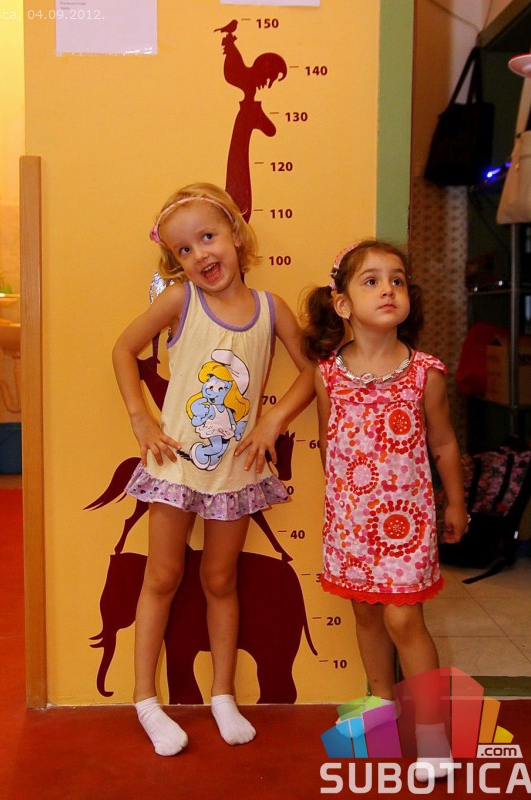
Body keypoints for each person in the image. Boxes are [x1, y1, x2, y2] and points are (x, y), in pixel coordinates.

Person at [112, 182, 312, 756]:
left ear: (235, 234)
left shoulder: (272, 309)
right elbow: (123, 349)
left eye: (207, 237)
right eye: (183, 249)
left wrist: (272, 423)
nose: (199, 254)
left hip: (234, 474)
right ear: (175, 262)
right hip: (175, 470)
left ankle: (223, 693)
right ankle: (145, 700)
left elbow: (312, 371)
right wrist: (141, 419)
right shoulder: (180, 301)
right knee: (162, 577)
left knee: (221, 581)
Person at [303, 239, 468, 780]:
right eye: (371, 281)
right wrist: (343, 508)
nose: (388, 289)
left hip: (407, 523)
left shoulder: (424, 373)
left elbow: (443, 443)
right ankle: (379, 709)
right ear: (343, 303)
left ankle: (432, 730)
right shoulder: (327, 375)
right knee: (367, 613)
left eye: (397, 279)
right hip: (351, 523)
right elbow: (328, 444)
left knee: (403, 617)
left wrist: (456, 502)